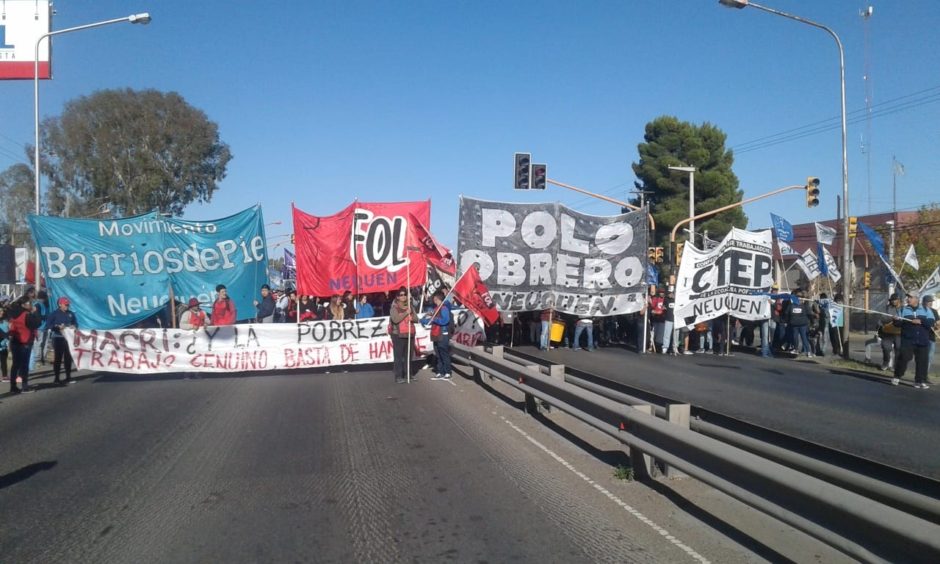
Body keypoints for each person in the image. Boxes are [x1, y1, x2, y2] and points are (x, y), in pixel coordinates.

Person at [892, 291, 936, 389]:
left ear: (916, 299)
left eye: (910, 297)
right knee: (904, 358)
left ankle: (919, 381)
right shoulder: (903, 309)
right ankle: (897, 376)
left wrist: (921, 320)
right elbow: (897, 324)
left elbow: (931, 322)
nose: (908, 299)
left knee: (922, 361)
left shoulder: (926, 309)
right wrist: (895, 320)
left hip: (922, 340)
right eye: (907, 297)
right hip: (908, 339)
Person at [8, 297, 41, 394]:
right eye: (29, 303)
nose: (31, 305)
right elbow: (36, 323)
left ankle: (13, 386)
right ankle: (25, 386)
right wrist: (35, 312)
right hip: (25, 342)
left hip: (15, 341)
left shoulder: (13, 313)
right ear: (24, 305)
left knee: (15, 364)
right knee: (24, 364)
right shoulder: (26, 314)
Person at [389, 288, 419, 383]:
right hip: (398, 335)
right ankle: (398, 376)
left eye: (405, 295)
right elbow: (395, 319)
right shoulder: (394, 308)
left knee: (408, 356)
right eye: (401, 295)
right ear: (397, 297)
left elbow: (417, 319)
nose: (403, 297)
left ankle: (408, 374)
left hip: (410, 334)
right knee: (398, 357)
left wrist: (412, 317)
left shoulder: (410, 307)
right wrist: (405, 313)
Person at [46, 296, 78, 385]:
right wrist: (57, 326)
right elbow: (48, 325)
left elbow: (75, 323)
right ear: (60, 304)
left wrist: (74, 326)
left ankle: (68, 377)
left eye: (68, 305)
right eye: (65, 304)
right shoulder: (54, 314)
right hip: (58, 337)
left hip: (68, 338)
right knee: (58, 358)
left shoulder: (71, 313)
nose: (67, 306)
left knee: (68, 358)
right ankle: (57, 378)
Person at [423, 290, 453, 379]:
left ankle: (448, 372)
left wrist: (434, 319)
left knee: (444, 354)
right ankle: (440, 372)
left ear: (437, 298)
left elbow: (445, 321)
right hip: (435, 334)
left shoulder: (444, 309)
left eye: (434, 298)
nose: (433, 300)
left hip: (442, 334)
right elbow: (430, 320)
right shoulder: (436, 309)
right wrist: (421, 320)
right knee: (438, 354)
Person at [924, 295, 938, 373]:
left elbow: (938, 323)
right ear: (924, 302)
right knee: (921, 356)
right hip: (922, 337)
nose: (931, 303)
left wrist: (937, 326)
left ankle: (925, 373)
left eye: (931, 301)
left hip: (931, 337)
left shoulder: (934, 311)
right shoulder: (920, 311)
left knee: (930, 356)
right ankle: (921, 373)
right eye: (929, 301)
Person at [0, 303, 9, 383]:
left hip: (4, 346)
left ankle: (5, 376)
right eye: (0, 311)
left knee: (3, 361)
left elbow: (8, 333)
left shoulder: (5, 322)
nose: (2, 312)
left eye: (2, 311)